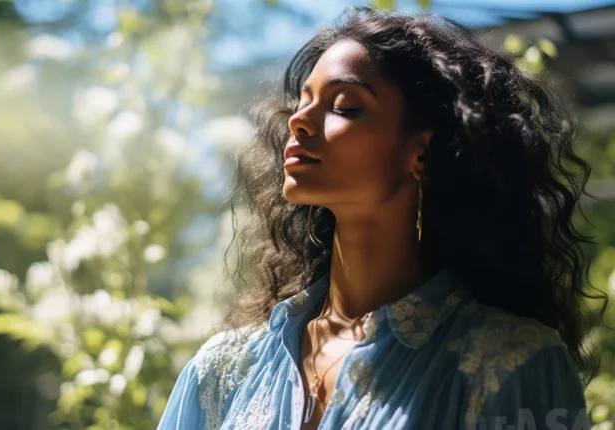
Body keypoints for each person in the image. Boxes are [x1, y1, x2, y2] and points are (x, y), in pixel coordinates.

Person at [158, 6, 603, 430]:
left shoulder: (511, 363)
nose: (299, 121)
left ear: (422, 152)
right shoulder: (222, 373)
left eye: (344, 106)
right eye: (303, 100)